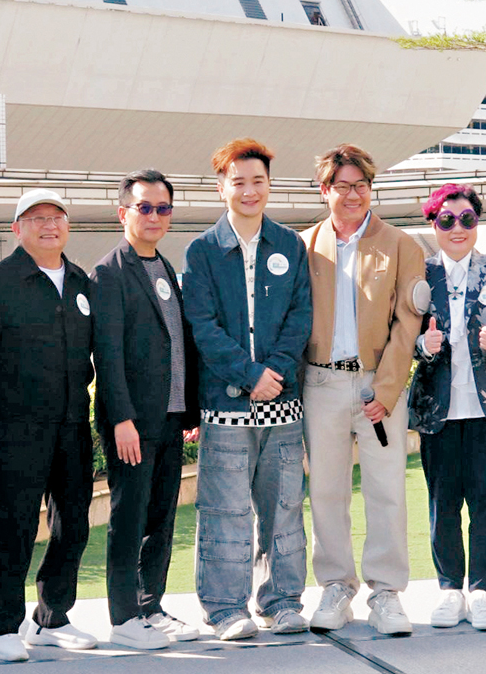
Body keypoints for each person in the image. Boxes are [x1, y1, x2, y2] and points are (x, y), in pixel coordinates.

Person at [182, 138, 313, 641]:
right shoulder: (202, 251)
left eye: (258, 181)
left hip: (282, 404)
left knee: (284, 510)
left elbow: (300, 315)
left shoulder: (289, 245)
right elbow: (203, 325)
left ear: (269, 185)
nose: (249, 190)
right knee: (225, 512)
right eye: (239, 182)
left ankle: (282, 601)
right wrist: (248, 374)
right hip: (226, 407)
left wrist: (274, 372)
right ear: (222, 189)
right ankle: (224, 609)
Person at [301, 144, 426, 636]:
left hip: (378, 383)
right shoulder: (304, 245)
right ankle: (336, 586)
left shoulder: (401, 244)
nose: (353, 195)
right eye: (342, 186)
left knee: (386, 489)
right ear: (324, 189)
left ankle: (387, 593)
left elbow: (407, 323)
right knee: (326, 490)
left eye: (361, 185)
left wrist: (387, 389)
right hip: (321, 383)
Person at [0, 189, 97, 662]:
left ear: (67, 225)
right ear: (17, 229)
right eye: (36, 218)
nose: (49, 225)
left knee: (74, 524)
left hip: (73, 423)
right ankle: (5, 626)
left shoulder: (81, 282)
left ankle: (51, 618)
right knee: (14, 526)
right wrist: (5, 405)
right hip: (16, 427)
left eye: (57, 216)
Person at [90, 170, 201, 649]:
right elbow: (108, 354)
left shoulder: (164, 267)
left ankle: (150, 606)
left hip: (170, 419)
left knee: (161, 519)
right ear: (123, 213)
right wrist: (121, 419)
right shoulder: (109, 272)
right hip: (133, 423)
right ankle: (123, 617)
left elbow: (177, 342)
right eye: (145, 207)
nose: (155, 216)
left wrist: (189, 411)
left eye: (163, 208)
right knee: (129, 519)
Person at [407, 184, 486, 632]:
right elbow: (400, 338)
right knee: (443, 504)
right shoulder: (419, 273)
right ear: (433, 224)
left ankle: (481, 591)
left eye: (467, 219)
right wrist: (423, 345)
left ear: (478, 223)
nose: (457, 228)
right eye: (446, 219)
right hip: (437, 407)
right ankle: (449, 590)